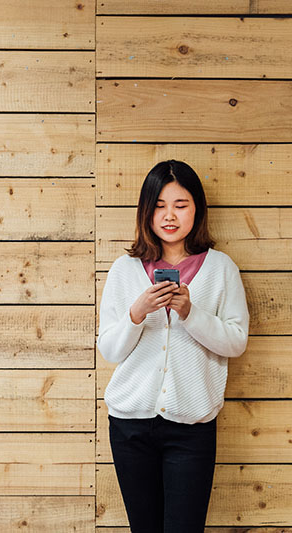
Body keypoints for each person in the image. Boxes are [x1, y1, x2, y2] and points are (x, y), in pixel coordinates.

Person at [96, 160, 249, 532]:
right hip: (130, 425)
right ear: (145, 211)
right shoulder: (124, 269)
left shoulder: (220, 268)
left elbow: (236, 341)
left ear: (197, 209)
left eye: (181, 205)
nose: (169, 215)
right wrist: (138, 311)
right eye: (159, 205)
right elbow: (110, 351)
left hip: (191, 426)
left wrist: (190, 313)